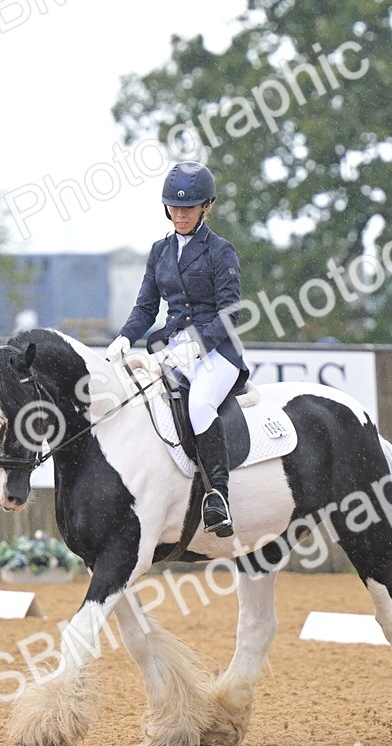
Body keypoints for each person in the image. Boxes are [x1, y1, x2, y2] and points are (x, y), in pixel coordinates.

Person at [107, 161, 246, 538]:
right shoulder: (159, 251)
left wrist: (196, 349)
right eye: (174, 207)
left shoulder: (220, 251)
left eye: (188, 207)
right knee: (140, 402)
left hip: (217, 353)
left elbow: (231, 312)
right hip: (170, 348)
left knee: (199, 404)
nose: (180, 214)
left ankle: (218, 496)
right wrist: (124, 338)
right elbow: (146, 307)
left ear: (206, 207)